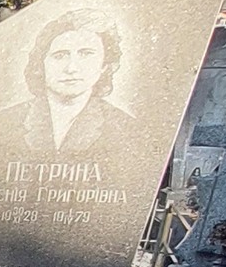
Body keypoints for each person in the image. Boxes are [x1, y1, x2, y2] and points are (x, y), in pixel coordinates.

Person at [12, 8, 136, 157]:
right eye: (60, 56)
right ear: (41, 64)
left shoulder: (126, 128)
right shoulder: (6, 122)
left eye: (86, 54)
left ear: (104, 64)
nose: (71, 68)